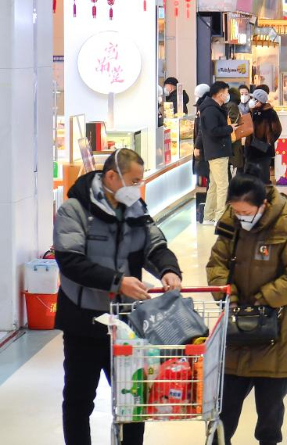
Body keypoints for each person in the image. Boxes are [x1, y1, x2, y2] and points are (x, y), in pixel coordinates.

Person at [54, 149, 182, 445]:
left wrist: (168, 269)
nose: (138, 186)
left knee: (133, 402)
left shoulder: (135, 207)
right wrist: (117, 282)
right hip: (84, 322)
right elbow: (70, 261)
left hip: (126, 325)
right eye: (134, 180)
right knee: (78, 401)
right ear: (112, 176)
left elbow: (154, 243)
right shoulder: (74, 209)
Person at [206, 172, 287, 445]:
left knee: (270, 415)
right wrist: (228, 294)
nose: (241, 216)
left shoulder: (286, 226)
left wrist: (263, 298)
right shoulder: (230, 225)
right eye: (236, 211)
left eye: (246, 211)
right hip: (236, 333)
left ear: (263, 205)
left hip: (276, 333)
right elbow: (216, 264)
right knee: (222, 413)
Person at [201, 81, 236, 224]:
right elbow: (212, 131)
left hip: (216, 150)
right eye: (226, 93)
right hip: (217, 151)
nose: (227, 95)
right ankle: (219, 217)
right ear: (220, 94)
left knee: (215, 185)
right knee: (223, 185)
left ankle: (209, 216)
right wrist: (229, 129)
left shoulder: (213, 108)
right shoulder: (211, 110)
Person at [245, 88, 282, 184]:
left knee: (263, 175)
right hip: (250, 149)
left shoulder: (270, 113)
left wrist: (269, 141)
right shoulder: (250, 112)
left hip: (264, 149)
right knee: (250, 175)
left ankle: (264, 195)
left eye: (254, 99)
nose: (252, 101)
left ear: (260, 101)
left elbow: (277, 130)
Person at [226, 86, 245, 177]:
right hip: (233, 139)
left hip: (231, 139)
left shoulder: (231, 106)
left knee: (230, 168)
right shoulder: (233, 105)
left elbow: (232, 121)